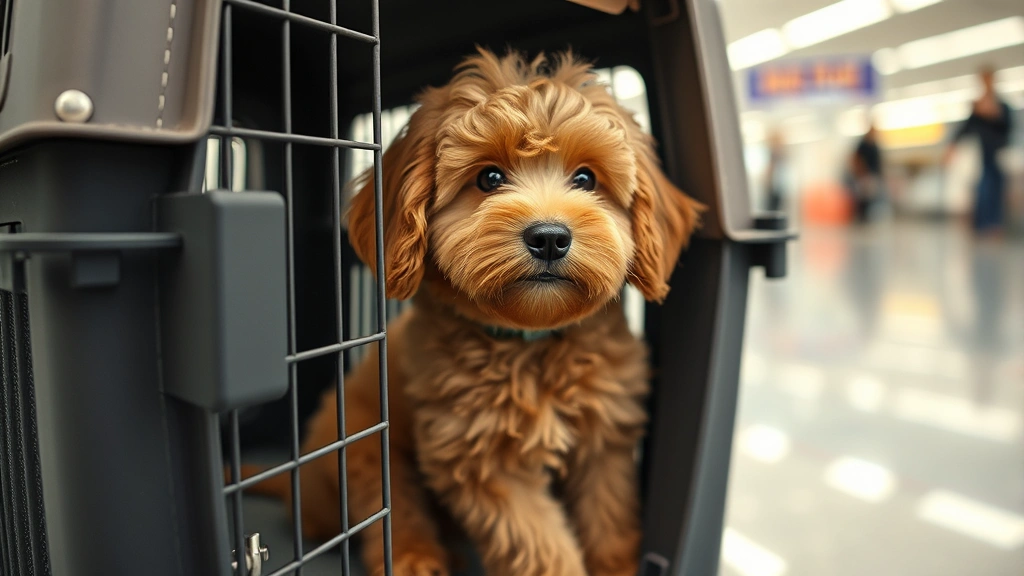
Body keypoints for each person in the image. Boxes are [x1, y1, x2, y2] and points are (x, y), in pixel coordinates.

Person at [944, 66, 1013, 238]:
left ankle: (994, 226)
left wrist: (992, 114)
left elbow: (1008, 128)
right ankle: (981, 226)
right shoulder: (977, 106)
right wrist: (952, 146)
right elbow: (965, 128)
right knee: (981, 190)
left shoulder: (1002, 106)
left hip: (998, 154)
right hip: (981, 156)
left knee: (994, 190)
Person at [849, 123, 884, 223]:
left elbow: (879, 162)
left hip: (874, 175)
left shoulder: (875, 145)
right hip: (865, 175)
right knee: (863, 198)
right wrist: (861, 173)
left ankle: (868, 218)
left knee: (871, 198)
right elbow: (857, 159)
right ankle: (861, 218)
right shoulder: (862, 144)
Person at [765, 130, 786, 212]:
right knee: (772, 208)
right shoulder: (773, 154)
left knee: (775, 208)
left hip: (777, 186)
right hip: (773, 186)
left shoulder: (778, 154)